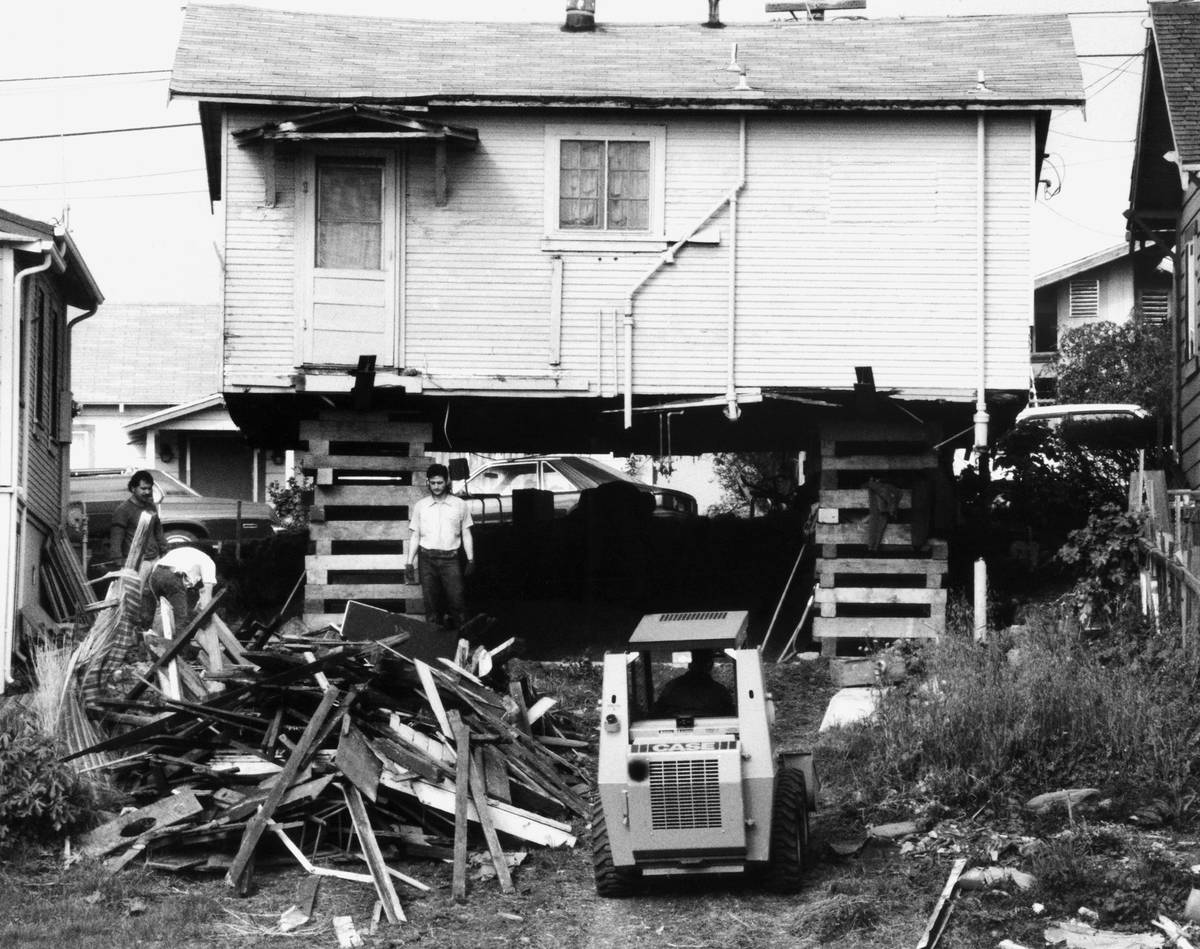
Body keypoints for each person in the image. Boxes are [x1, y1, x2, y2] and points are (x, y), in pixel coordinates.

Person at [406, 463, 475, 630]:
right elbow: (415, 535)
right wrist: (409, 562)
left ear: (447, 482)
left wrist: (471, 559)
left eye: (440, 483)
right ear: (427, 482)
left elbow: (466, 533)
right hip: (427, 559)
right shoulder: (421, 506)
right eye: (433, 483)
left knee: (457, 602)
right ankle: (434, 647)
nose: (436, 487)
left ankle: (463, 643)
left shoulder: (459, 505)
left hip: (451, 559)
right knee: (431, 605)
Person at [148, 545, 217, 634]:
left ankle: (158, 641)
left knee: (163, 616)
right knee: (180, 619)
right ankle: (177, 646)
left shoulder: (191, 555)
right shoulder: (209, 563)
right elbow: (207, 597)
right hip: (171, 577)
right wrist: (207, 618)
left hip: (154, 576)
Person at [653, 649, 735, 718]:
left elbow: (658, 712)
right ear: (710, 665)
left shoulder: (671, 688)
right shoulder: (719, 691)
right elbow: (730, 714)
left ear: (690, 665)